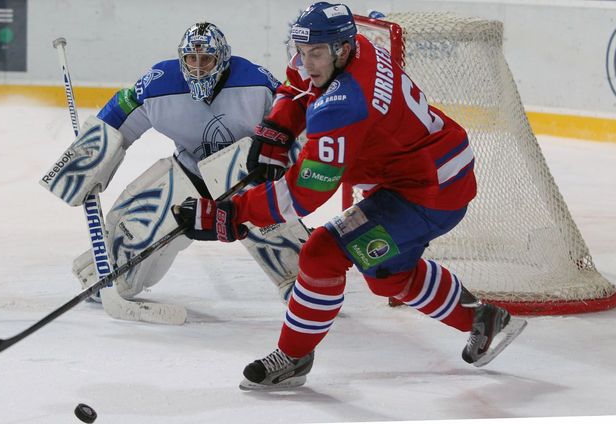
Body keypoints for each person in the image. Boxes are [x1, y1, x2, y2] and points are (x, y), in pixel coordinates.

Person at [172, 3, 527, 389]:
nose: (308, 62)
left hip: (429, 191)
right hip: (422, 171)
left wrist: (233, 214)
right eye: (303, 50)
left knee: (322, 253)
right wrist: (279, 126)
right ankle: (482, 320)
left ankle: (292, 356)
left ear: (341, 49)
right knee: (387, 274)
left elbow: (304, 195)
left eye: (316, 54)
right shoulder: (352, 49)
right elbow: (296, 82)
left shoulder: (344, 105)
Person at [43, 22, 301, 308]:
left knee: (265, 210)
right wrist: (88, 158)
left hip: (244, 175)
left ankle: (299, 278)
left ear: (223, 59)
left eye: (207, 59)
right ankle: (107, 268)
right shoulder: (159, 84)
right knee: (131, 243)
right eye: (192, 59)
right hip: (188, 174)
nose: (199, 68)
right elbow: (117, 118)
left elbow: (293, 118)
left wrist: (290, 167)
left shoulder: (255, 81)